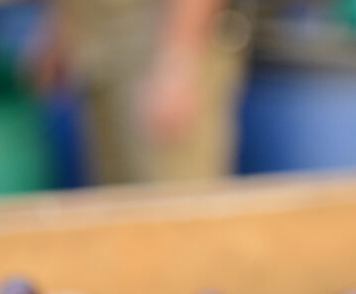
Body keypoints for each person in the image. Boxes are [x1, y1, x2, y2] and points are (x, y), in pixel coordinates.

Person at [32, 0, 247, 185]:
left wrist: (177, 61)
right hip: (99, 51)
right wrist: (60, 26)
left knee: (172, 206)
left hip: (158, 51)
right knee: (119, 210)